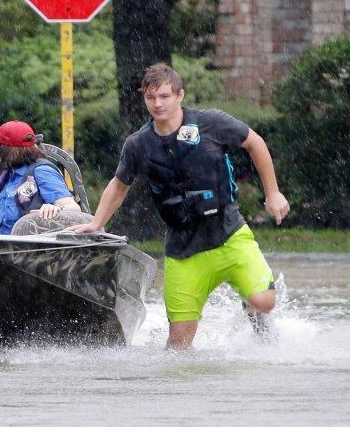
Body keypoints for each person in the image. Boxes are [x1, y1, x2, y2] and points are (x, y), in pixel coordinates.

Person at [71, 63, 290, 349]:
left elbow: (255, 143)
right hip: (183, 251)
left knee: (264, 301)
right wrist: (98, 222)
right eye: (151, 98)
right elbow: (119, 183)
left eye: (164, 96)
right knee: (177, 347)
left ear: (180, 96)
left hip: (230, 236)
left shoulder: (212, 123)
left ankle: (251, 310)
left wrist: (272, 193)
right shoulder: (139, 144)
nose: (158, 104)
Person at [0, 120, 81, 235]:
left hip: (32, 250)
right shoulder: (0, 183)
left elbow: (73, 208)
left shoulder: (41, 171)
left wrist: (57, 208)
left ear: (4, 150)